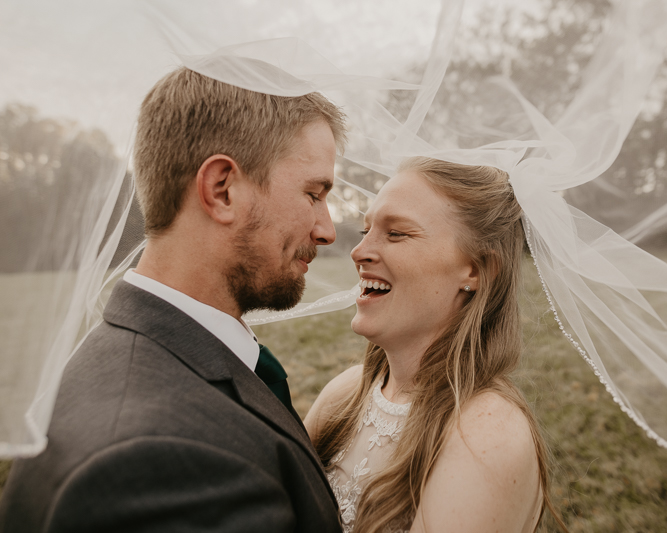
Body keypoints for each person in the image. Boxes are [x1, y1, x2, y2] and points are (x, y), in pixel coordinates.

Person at [0, 67, 346, 532]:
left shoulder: (129, 354)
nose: (327, 230)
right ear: (222, 189)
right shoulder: (156, 467)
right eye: (314, 193)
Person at [305, 157, 567, 533]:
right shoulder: (343, 396)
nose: (359, 251)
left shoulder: (486, 436)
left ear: (476, 271)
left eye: (396, 234)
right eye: (366, 231)